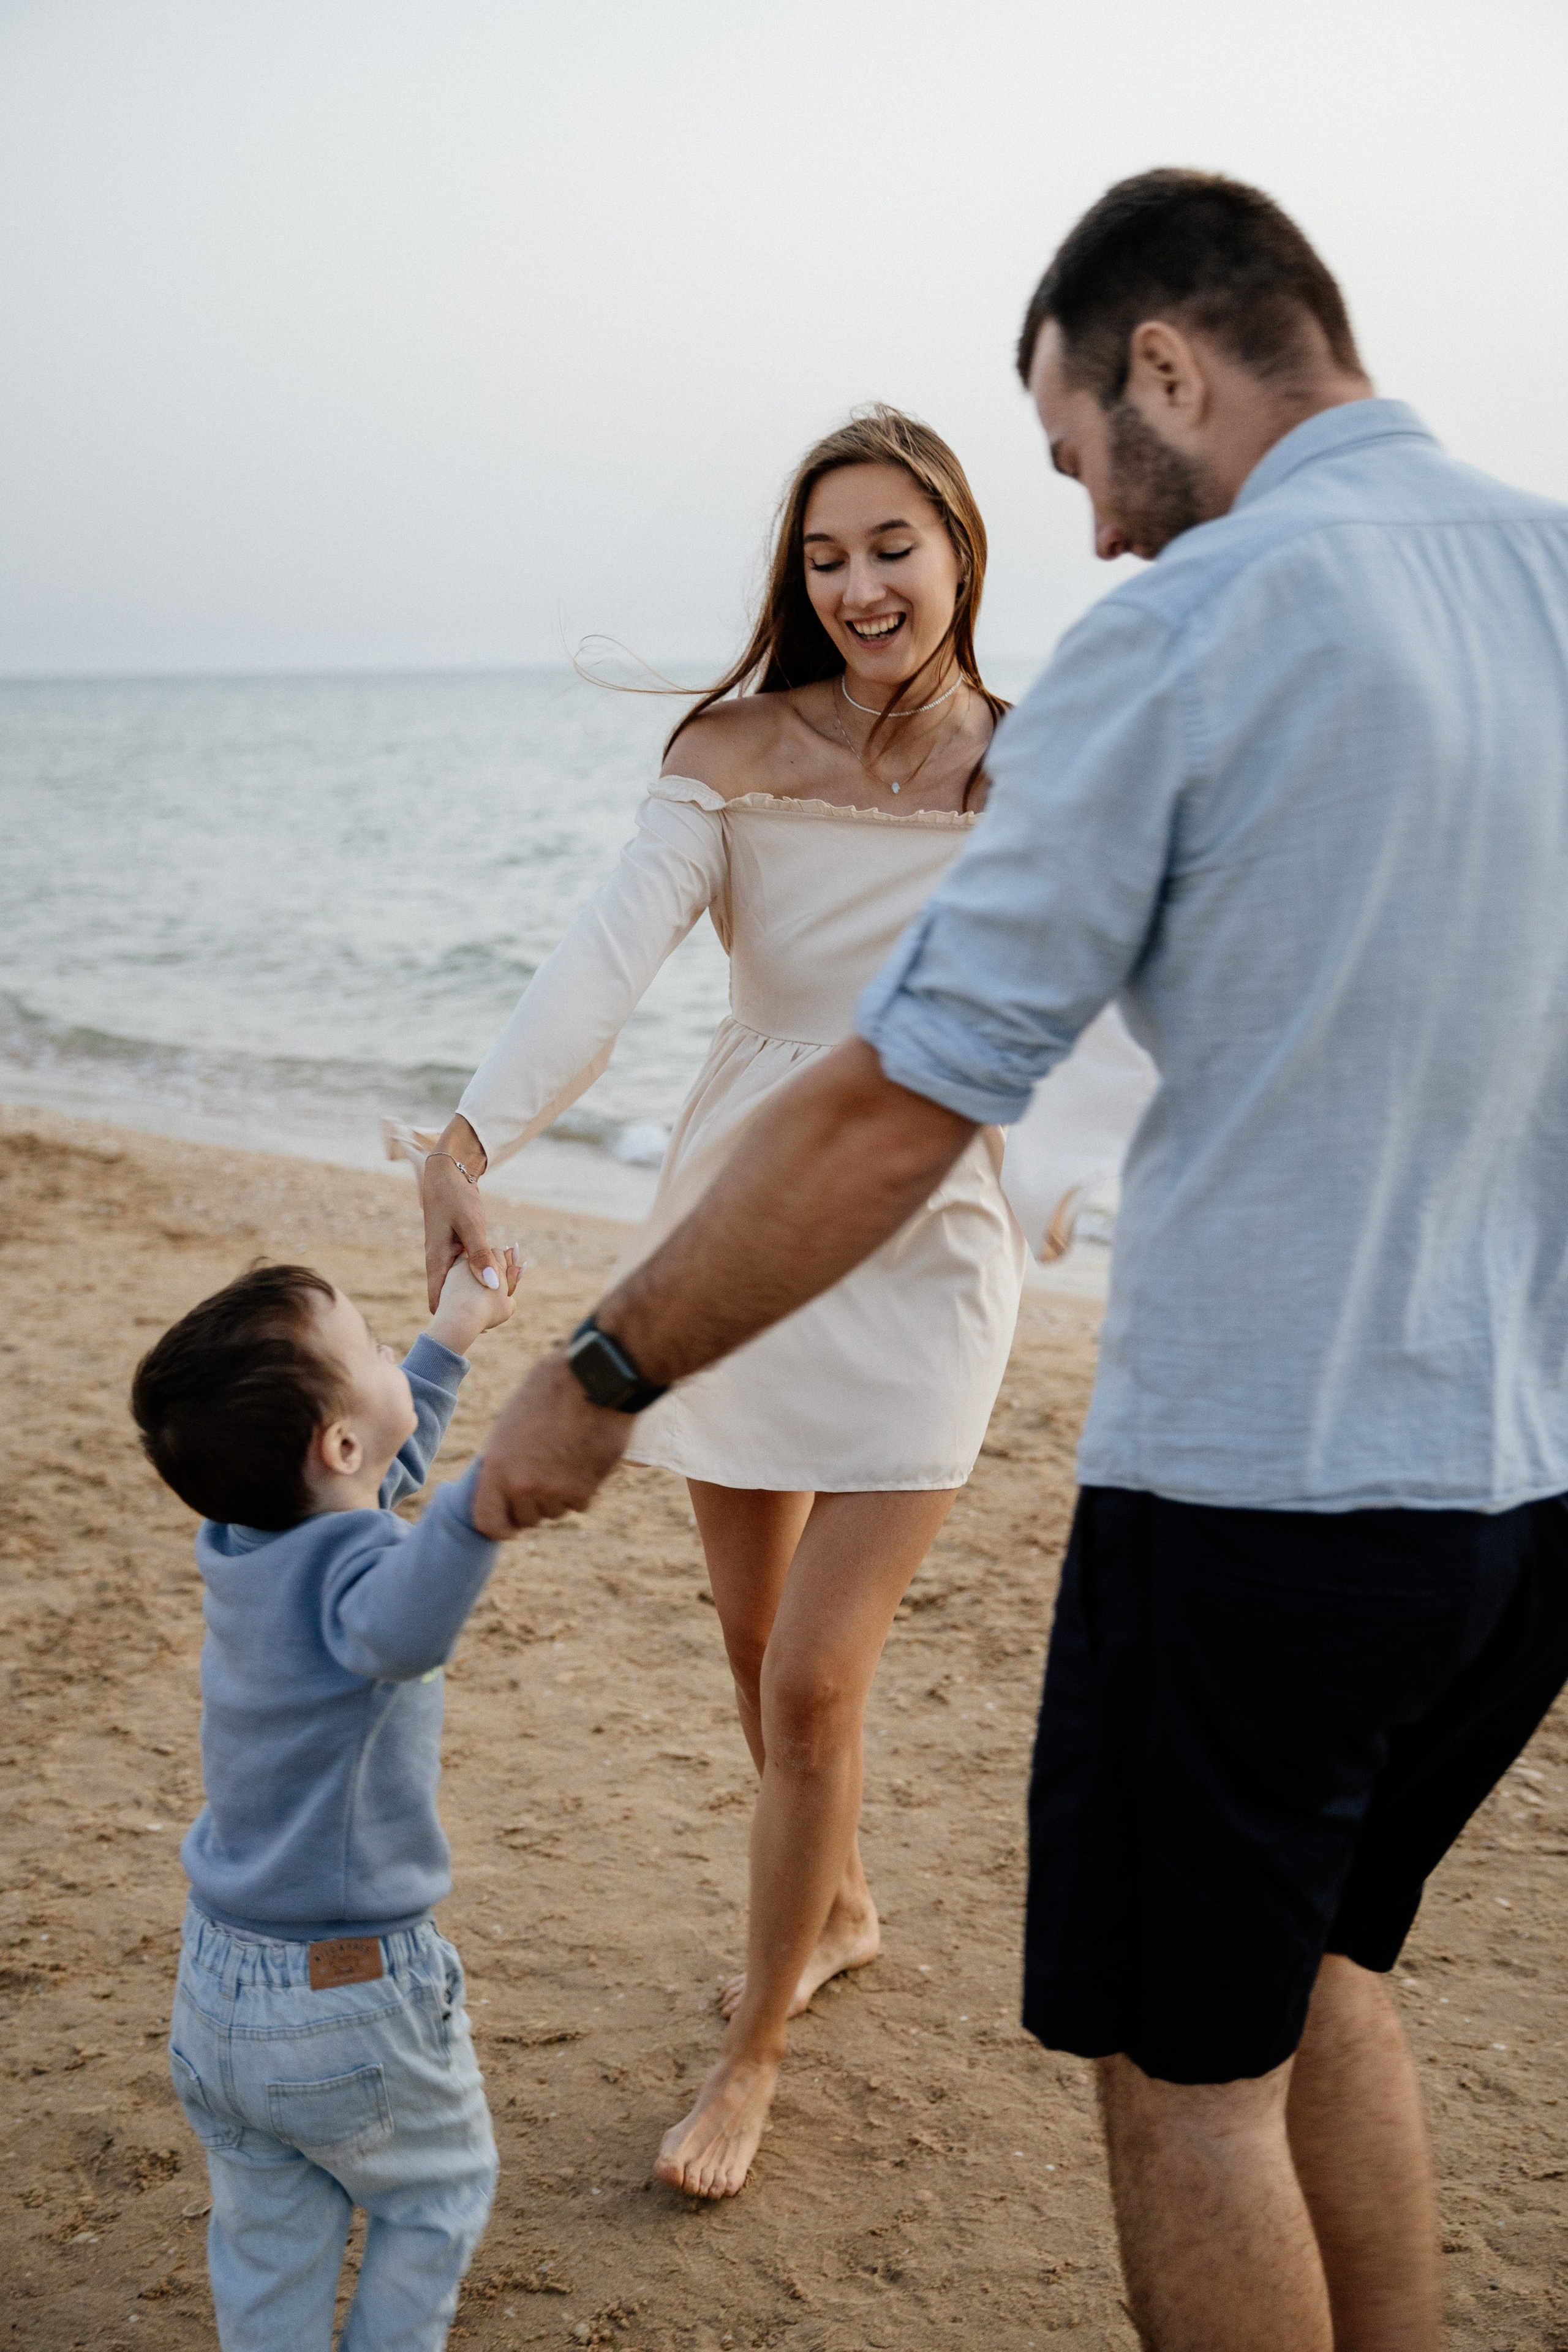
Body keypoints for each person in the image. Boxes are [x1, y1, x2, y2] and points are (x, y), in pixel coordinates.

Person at [463, 169, 1568, 2352]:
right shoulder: (1550, 576)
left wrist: (598, 1376)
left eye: (1075, 459)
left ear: (1165, 366)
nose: (1101, 529)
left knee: (1188, 2074)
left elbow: (905, 1102)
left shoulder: (1183, 634)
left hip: (1268, 1493)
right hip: (1525, 1496)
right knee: (1328, 1974)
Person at [409, 406, 1027, 2199]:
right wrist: (467, 1135)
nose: (858, 587)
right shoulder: (733, 751)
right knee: (762, 1662)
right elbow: (606, 956)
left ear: (960, 548)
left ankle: (751, 2050)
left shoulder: (1035, 767)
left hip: (932, 1234)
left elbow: (1102, 999)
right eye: (824, 557)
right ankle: (837, 1906)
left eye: (891, 547)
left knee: (819, 1678)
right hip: (736, 1239)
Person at [130, 1250, 521, 2351]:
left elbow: (373, 1483)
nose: (397, 1354)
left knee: (272, 2239)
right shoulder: (367, 1591)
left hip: (218, 1983)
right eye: (379, 1347)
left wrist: (450, 1338)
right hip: (346, 1993)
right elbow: (405, 1617)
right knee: (438, 2194)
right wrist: (488, 1500)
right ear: (340, 1447)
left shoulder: (244, 1539)